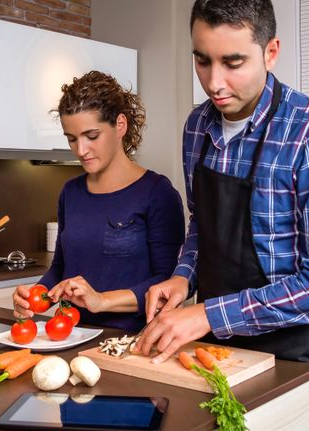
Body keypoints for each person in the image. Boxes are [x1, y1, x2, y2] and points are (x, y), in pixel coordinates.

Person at [135, 1, 309, 431]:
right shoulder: (197, 127)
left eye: (233, 62)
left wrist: (206, 313)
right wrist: (182, 279)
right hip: (219, 355)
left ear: (270, 51)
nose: (214, 83)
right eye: (202, 59)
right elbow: (202, 222)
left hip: (300, 358)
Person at [12, 71, 185, 333]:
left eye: (91, 136)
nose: (81, 150)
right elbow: (60, 268)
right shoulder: (70, 192)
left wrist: (101, 300)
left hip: (132, 341)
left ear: (121, 125)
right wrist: (35, 296)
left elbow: (165, 283)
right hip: (71, 336)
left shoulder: (157, 194)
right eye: (72, 139)